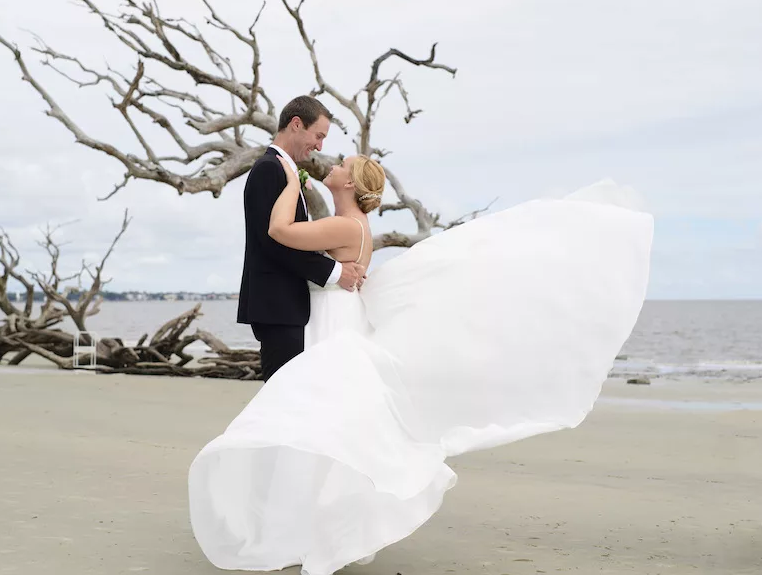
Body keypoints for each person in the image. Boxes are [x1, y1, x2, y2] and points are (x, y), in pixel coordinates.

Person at [191, 171, 654, 575]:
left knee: (318, 422)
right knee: (327, 428)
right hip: (333, 321)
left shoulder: (345, 224)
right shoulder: (352, 223)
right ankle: (310, 524)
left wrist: (291, 182)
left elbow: (281, 231)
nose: (332, 163)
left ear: (350, 183)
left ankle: (304, 527)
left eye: (342, 165)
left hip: (332, 328)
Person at [237, 95, 366, 382]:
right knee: (281, 397)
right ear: (297, 125)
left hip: (285, 306)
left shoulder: (283, 170)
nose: (320, 146)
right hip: (277, 306)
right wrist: (334, 272)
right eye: (318, 135)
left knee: (289, 395)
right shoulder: (269, 169)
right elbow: (273, 242)